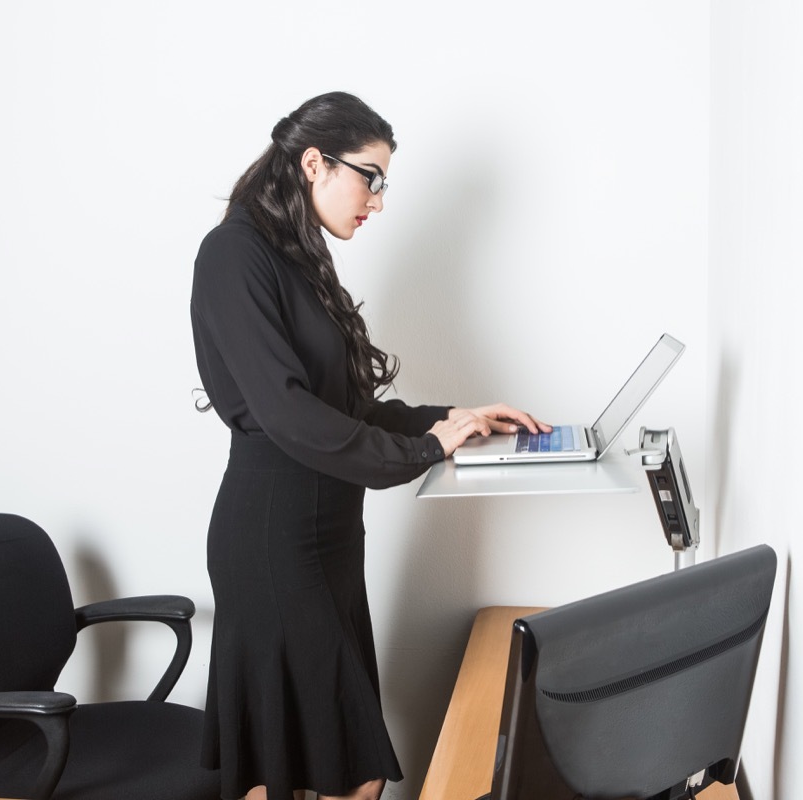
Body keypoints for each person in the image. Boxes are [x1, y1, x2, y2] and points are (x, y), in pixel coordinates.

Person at [190, 91, 548, 800]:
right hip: (272, 541)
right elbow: (289, 415)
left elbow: (346, 411)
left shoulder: (299, 255)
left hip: (328, 536)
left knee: (340, 758)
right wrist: (424, 452)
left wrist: (454, 418)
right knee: (295, 767)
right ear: (314, 163)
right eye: (371, 177)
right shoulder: (234, 253)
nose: (378, 201)